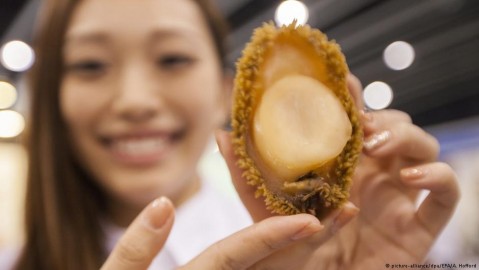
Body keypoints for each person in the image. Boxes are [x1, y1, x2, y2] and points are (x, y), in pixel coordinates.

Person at [0, 0, 459, 269]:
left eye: (173, 59)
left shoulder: (321, 248)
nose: (134, 100)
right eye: (90, 65)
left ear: (228, 94)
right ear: (52, 98)